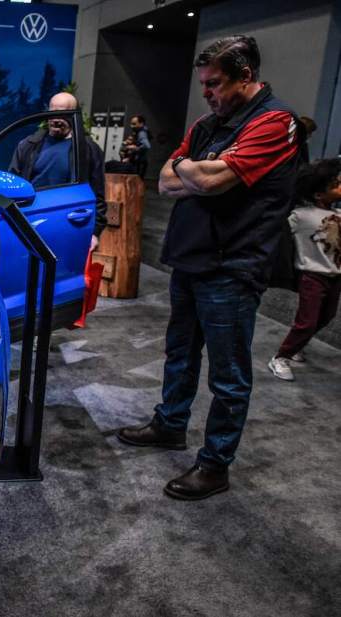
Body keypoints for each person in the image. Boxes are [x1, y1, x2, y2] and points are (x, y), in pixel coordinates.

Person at [116, 36, 303, 500]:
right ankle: (170, 424)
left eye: (215, 83)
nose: (207, 93)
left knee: (228, 375)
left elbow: (214, 181)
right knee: (179, 353)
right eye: (203, 84)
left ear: (246, 76)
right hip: (193, 258)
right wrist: (190, 169)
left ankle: (215, 465)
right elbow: (163, 180)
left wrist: (193, 171)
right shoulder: (206, 124)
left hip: (234, 266)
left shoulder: (276, 123)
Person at [268, 158, 341, 381]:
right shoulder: (301, 216)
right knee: (307, 321)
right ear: (319, 194)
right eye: (336, 185)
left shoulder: (338, 214)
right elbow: (278, 232)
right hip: (312, 275)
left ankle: (297, 345)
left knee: (327, 316)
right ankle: (281, 357)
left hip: (335, 275)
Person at [9, 92, 108, 251]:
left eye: (62, 114)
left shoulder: (87, 150)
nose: (56, 119)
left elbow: (97, 192)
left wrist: (95, 232)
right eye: (52, 113)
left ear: (74, 115)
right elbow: (12, 184)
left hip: (67, 223)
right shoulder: (28, 145)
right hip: (30, 221)